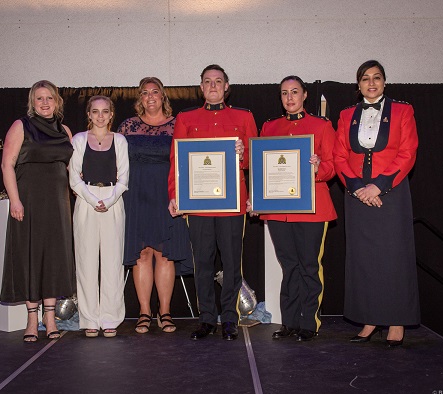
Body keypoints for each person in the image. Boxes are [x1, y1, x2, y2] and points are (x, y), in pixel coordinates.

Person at [333, 60, 420, 347]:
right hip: (358, 196)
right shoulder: (347, 115)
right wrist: (358, 187)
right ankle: (369, 319)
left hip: (391, 195)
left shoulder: (403, 111)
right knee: (363, 259)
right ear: (358, 86)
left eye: (377, 78)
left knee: (394, 258)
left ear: (385, 82)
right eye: (365, 79)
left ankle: (396, 321)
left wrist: (378, 186)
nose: (371, 83)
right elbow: (339, 156)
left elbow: (408, 152)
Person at [168, 64, 257, 341]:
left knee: (232, 263)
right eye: (208, 82)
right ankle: (206, 318)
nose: (214, 86)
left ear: (227, 86)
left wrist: (243, 154)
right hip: (198, 204)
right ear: (201, 87)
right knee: (202, 263)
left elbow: (255, 160)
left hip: (233, 204)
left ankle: (230, 318)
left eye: (218, 81)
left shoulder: (244, 117)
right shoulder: (186, 118)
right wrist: (174, 194)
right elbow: (177, 161)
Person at [253, 75, 337, 342]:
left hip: (312, 208)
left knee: (309, 266)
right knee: (289, 267)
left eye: (294, 92)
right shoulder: (269, 127)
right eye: (284, 93)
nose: (289, 98)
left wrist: (317, 167)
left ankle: (308, 323)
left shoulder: (321, 126)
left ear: (304, 95)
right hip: (279, 210)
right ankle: (289, 322)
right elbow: (260, 168)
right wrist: (256, 198)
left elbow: (332, 167)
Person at [0, 80, 75, 342]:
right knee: (30, 257)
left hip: (58, 203)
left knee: (54, 258)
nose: (45, 103)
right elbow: (7, 164)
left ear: (57, 101)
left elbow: (72, 169)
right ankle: (32, 320)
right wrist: (15, 201)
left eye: (49, 98)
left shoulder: (64, 130)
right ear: (33, 102)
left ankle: (50, 318)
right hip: (29, 201)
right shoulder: (22, 126)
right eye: (39, 98)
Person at [118, 77, 193, 334]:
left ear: (163, 97)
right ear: (140, 99)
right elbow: (113, 159)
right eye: (145, 93)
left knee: (165, 254)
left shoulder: (177, 125)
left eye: (155, 92)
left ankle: (165, 312)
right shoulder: (126, 126)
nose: (150, 97)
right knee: (142, 254)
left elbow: (189, 160)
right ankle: (144, 313)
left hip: (167, 195)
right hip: (136, 195)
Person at [69, 96, 129, 338]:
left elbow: (124, 177)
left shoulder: (121, 140)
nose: (100, 116)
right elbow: (74, 178)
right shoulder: (79, 140)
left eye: (105, 112)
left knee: (113, 262)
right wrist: (94, 200)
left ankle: (110, 318)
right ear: (89, 115)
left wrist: (109, 199)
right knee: (86, 261)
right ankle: (90, 319)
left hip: (113, 200)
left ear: (111, 114)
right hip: (86, 202)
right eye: (96, 112)